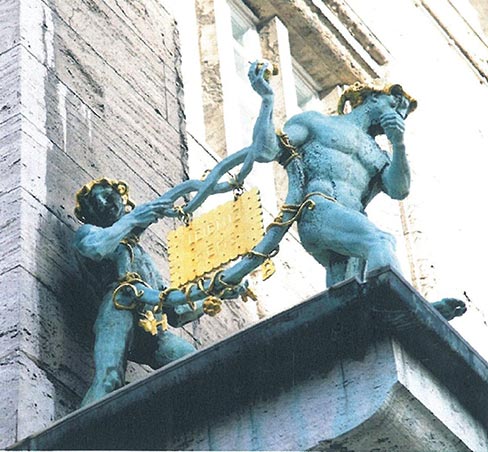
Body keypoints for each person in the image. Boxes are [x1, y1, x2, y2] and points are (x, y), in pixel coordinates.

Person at [241, 62, 466, 320]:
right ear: (372, 97)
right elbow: (265, 151)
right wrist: (267, 100)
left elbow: (399, 189)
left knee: (348, 298)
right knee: (380, 241)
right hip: (319, 208)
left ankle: (365, 327)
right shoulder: (317, 123)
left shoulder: (378, 154)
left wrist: (398, 143)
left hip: (352, 218)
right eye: (393, 105)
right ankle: (408, 310)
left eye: (401, 115)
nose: (396, 116)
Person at [73, 178, 241, 406]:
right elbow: (95, 248)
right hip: (118, 310)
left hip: (154, 325)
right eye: (96, 202)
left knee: (192, 361)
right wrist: (132, 220)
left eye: (109, 197)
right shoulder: (90, 232)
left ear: (124, 201)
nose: (104, 204)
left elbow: (177, 310)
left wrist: (216, 293)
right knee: (109, 379)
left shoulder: (143, 258)